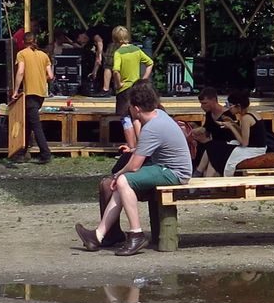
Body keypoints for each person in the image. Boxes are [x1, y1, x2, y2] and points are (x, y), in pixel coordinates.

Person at [79, 82, 191, 256]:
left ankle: (136, 234)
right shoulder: (159, 115)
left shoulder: (152, 128)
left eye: (130, 107)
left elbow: (135, 165)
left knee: (123, 181)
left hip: (174, 172)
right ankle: (98, 235)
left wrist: (117, 174)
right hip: (164, 167)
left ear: (136, 109)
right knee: (121, 186)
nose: (129, 110)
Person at [212, 89, 274, 175]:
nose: (228, 108)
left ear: (238, 106)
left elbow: (244, 143)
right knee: (217, 146)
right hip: (258, 147)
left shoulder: (245, 118)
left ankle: (208, 175)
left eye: (230, 105)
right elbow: (246, 133)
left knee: (217, 149)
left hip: (253, 150)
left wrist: (231, 127)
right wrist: (233, 124)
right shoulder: (253, 114)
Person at [10, 30, 53, 165]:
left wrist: (15, 91)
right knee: (29, 122)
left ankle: (45, 154)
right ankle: (22, 152)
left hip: (30, 94)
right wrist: (40, 78)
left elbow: (21, 72)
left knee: (35, 124)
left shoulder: (22, 54)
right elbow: (50, 76)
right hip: (41, 93)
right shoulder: (44, 55)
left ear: (23, 42)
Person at [186, 86, 235, 177]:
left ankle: (199, 173)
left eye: (205, 103)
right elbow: (206, 129)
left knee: (211, 149)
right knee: (198, 146)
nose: (202, 106)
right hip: (214, 145)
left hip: (227, 146)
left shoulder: (227, 115)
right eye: (201, 104)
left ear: (213, 100)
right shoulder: (209, 114)